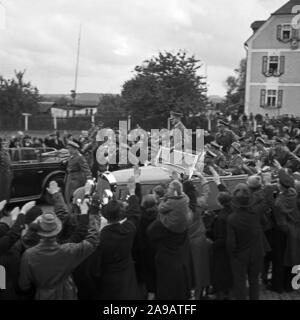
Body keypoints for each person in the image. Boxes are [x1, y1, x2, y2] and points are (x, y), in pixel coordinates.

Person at [18, 199, 100, 300]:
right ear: (57, 230)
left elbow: (24, 285)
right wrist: (89, 215)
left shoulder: (28, 255)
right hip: (67, 293)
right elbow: (92, 241)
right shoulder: (68, 250)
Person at [90, 177, 142, 300]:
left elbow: (95, 267)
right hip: (127, 276)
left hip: (109, 280)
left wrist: (92, 205)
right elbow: (134, 214)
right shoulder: (128, 229)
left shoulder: (101, 238)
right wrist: (132, 192)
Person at [227, 183, 265, 300]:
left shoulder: (232, 218)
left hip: (240, 255)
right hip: (257, 252)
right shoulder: (256, 213)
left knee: (240, 283)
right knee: (254, 281)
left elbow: (231, 243)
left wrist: (232, 254)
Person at [272, 169, 300, 293]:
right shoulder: (293, 193)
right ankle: (293, 285)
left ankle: (280, 286)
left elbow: (280, 222)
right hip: (296, 229)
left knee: (281, 259)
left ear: (281, 186)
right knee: (294, 257)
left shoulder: (278, 203)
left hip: (284, 233)